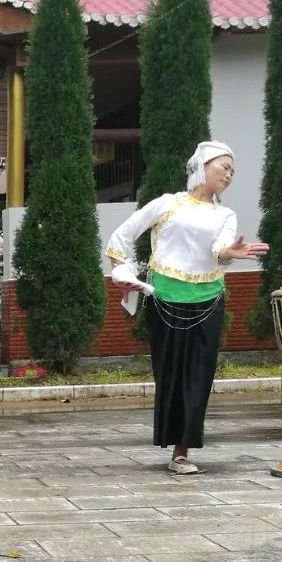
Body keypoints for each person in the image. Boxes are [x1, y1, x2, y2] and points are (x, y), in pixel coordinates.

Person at [105, 140, 266, 474]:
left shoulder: (225, 214)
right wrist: (121, 270)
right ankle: (171, 439)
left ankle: (182, 450)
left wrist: (229, 253)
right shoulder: (167, 204)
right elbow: (124, 233)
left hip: (208, 300)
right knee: (170, 373)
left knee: (198, 375)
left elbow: (220, 250)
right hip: (164, 297)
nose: (229, 175)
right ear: (203, 165)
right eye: (225, 167)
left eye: (233, 171)